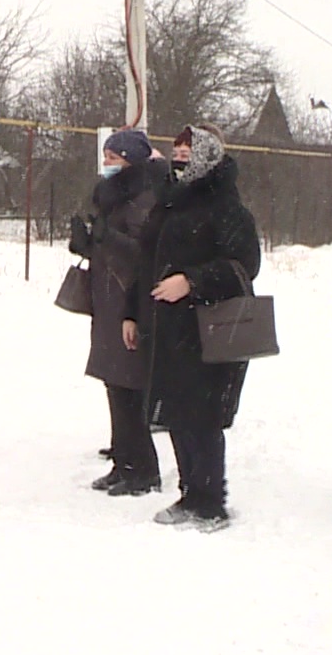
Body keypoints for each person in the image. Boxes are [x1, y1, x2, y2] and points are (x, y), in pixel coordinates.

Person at [128, 124, 260, 530]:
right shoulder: (168, 202)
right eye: (177, 147)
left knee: (202, 417)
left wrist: (193, 281)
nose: (181, 155)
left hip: (208, 326)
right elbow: (144, 262)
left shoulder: (226, 207)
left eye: (190, 149)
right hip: (165, 327)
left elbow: (243, 267)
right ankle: (189, 492)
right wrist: (131, 313)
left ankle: (210, 501)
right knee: (177, 415)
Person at [69, 129, 167, 496]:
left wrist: (106, 236)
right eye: (106, 156)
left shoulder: (144, 197)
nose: (107, 164)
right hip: (108, 301)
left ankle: (143, 469)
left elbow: (145, 253)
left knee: (131, 389)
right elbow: (107, 245)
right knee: (115, 385)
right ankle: (123, 462)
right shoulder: (112, 196)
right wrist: (86, 241)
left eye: (114, 157)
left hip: (130, 303)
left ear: (131, 160)